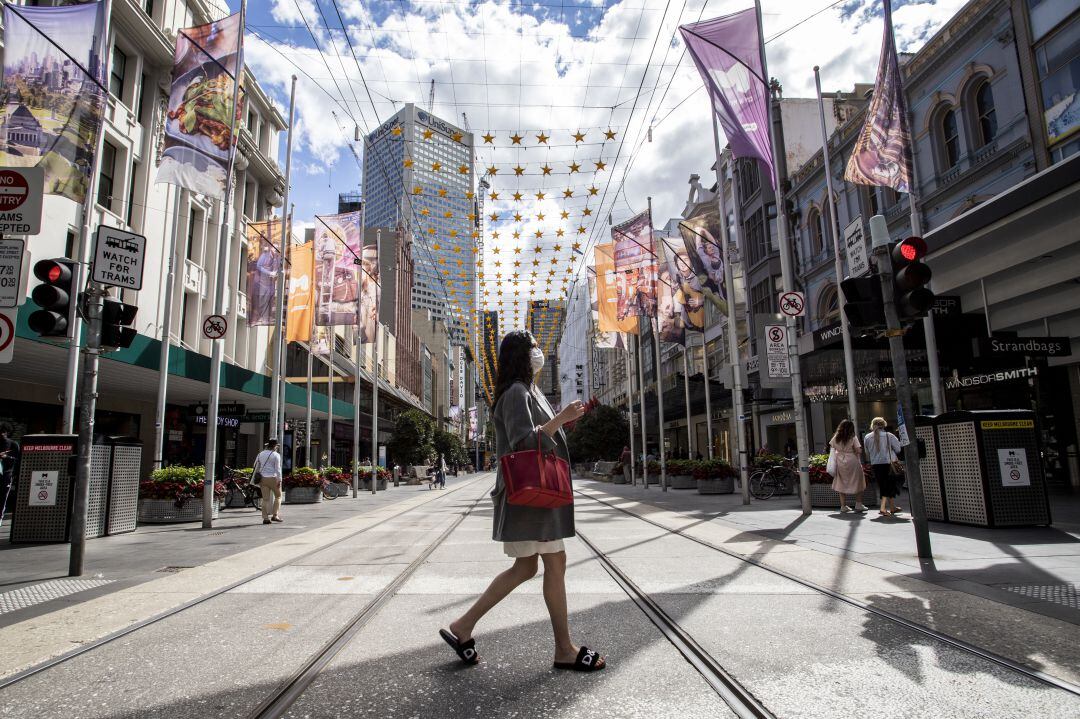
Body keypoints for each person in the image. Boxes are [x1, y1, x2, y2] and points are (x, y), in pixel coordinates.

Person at [441, 330, 605, 672]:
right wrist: (561, 419)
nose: (539, 352)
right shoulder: (516, 393)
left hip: (536, 496)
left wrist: (560, 422)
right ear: (520, 354)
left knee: (533, 566)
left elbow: (540, 435)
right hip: (530, 495)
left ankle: (464, 626)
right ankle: (563, 648)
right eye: (533, 347)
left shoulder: (529, 391)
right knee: (547, 564)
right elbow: (521, 442)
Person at [865, 417, 903, 517]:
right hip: (889, 463)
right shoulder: (889, 435)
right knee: (888, 485)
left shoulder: (867, 437)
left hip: (875, 464)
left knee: (884, 485)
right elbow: (898, 449)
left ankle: (892, 507)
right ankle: (882, 508)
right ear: (884, 424)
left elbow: (867, 451)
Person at [829, 419, 866, 513]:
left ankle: (843, 506)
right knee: (858, 480)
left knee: (841, 481)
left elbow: (831, 447)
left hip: (840, 461)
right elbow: (858, 450)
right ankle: (858, 504)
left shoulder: (836, 437)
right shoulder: (853, 437)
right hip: (852, 460)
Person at [254, 438, 284, 525]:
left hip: (262, 479)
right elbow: (278, 469)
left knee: (265, 499)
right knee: (278, 496)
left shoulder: (260, 454)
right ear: (275, 446)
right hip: (273, 478)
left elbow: (255, 465)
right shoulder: (276, 455)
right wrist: (279, 480)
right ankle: (275, 515)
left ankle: (265, 518)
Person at [0, 426, 19, 520]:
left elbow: (17, 460)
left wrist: (6, 457)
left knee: (3, 498)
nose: (2, 434)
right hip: (5, 475)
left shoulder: (13, 444)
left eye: (3, 432)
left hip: (6, 475)